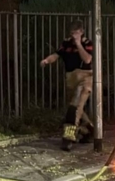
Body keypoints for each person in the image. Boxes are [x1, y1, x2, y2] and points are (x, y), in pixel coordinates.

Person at [40, 21, 94, 150]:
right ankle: (89, 130)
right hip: (71, 78)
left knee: (74, 108)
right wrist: (47, 60)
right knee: (75, 106)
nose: (73, 36)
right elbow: (57, 54)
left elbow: (87, 59)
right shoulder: (66, 43)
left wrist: (78, 44)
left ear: (81, 32)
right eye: (72, 33)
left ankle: (68, 137)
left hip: (85, 77)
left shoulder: (87, 43)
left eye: (76, 33)